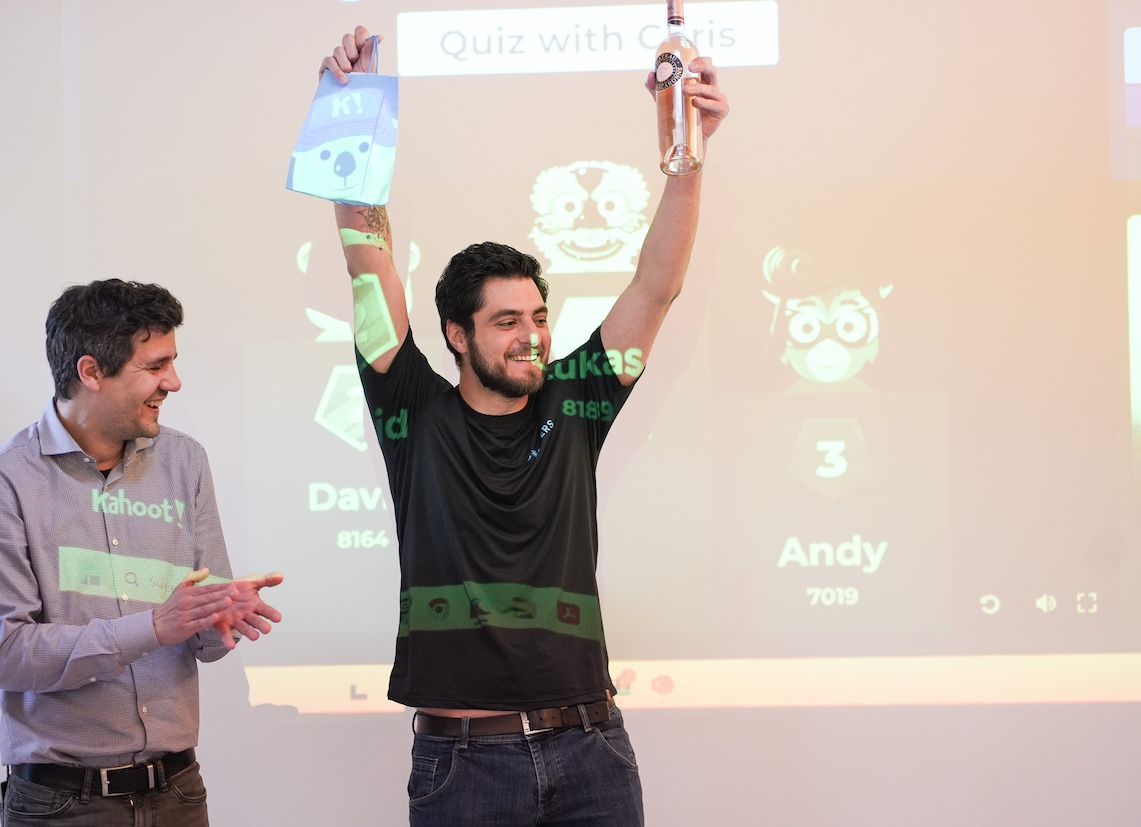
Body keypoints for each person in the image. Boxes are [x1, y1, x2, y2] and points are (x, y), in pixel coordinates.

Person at [319, 25, 728, 825]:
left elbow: (657, 287)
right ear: (457, 336)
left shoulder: (575, 404)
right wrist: (353, 116)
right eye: (507, 320)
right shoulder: (410, 408)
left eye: (539, 315)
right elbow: (366, 263)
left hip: (592, 750)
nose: (533, 335)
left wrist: (688, 158)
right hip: (464, 764)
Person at [0, 279, 283, 826]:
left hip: (178, 791)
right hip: (60, 805)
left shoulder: (184, 461)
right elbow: (8, 653)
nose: (173, 382)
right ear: (91, 372)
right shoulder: (11, 479)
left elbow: (202, 643)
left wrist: (218, 617)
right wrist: (154, 626)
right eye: (155, 366)